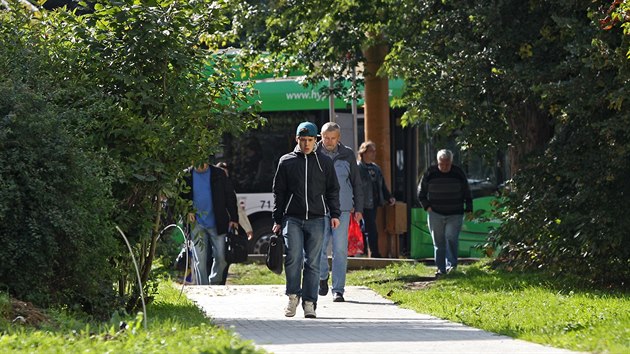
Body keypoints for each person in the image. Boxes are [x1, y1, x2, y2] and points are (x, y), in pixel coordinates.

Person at [272, 121, 340, 319]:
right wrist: (277, 219)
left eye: (310, 140)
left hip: (318, 218)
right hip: (292, 218)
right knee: (293, 258)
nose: (307, 144)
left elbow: (332, 190)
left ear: (316, 140)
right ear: (296, 140)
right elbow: (279, 192)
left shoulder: (324, 162)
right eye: (303, 140)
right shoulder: (286, 161)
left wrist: (335, 214)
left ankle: (310, 303)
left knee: (313, 262)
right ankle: (293, 296)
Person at [316, 122, 364, 303]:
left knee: (340, 250)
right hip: (319, 208)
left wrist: (358, 208)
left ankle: (338, 290)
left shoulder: (347, 154)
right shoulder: (313, 152)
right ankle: (322, 277)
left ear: (339, 138)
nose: (328, 141)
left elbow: (357, 182)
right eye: (325, 138)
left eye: (332, 138)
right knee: (318, 248)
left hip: (343, 209)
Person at [181, 159, 239, 285]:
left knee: (221, 258)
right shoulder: (186, 175)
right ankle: (203, 287)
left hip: (217, 222)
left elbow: (230, 196)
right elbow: (180, 197)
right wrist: (187, 211)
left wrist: (234, 218)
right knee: (199, 260)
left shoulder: (219, 173)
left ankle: (214, 282)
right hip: (196, 223)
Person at [417, 149, 473, 277]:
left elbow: (466, 191)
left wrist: (469, 207)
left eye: (447, 164)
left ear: (451, 162)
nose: (444, 166)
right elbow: (421, 193)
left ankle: (451, 266)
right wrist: (427, 207)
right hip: (435, 213)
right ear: (438, 162)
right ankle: (440, 269)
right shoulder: (430, 173)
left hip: (455, 213)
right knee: (439, 242)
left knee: (451, 238)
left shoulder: (458, 173)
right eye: (442, 164)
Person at [357, 140, 395, 258]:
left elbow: (382, 185)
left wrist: (389, 197)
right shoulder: (358, 167)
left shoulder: (376, 168)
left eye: (374, 151)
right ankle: (374, 253)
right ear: (363, 153)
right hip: (362, 203)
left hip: (373, 203)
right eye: (371, 151)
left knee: (368, 228)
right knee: (370, 229)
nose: (374, 154)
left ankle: (366, 252)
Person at [216, 162, 254, 240]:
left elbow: (238, 210)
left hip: (229, 228)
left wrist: (248, 229)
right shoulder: (212, 190)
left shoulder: (230, 191)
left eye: (226, 174)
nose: (224, 176)